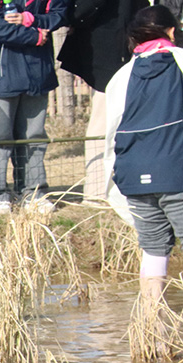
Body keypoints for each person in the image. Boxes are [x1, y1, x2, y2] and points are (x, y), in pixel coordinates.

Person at [104, 5, 183, 305]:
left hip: (134, 177)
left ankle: (151, 328)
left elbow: (112, 133)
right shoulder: (180, 60)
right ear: (172, 32)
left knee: (153, 250)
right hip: (177, 172)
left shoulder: (121, 76)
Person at [0, 0, 69, 215]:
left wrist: (31, 19)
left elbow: (60, 14)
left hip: (39, 74)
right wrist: (33, 35)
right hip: (1, 76)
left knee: (35, 136)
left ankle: (34, 192)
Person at [58, 0, 148, 201]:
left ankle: (115, 186)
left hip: (127, 47)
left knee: (116, 121)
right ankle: (96, 191)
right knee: (103, 120)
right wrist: (74, 18)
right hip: (109, 51)